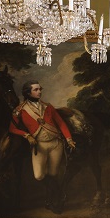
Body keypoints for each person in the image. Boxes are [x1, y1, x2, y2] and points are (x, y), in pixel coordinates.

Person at [9, 81, 75, 211]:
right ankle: (58, 194)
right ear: (28, 93)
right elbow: (12, 129)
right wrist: (26, 135)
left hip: (56, 144)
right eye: (36, 90)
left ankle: (53, 202)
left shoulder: (48, 107)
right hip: (39, 146)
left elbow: (61, 123)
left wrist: (68, 139)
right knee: (39, 176)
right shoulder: (19, 110)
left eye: (40, 89)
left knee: (53, 173)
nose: (39, 92)